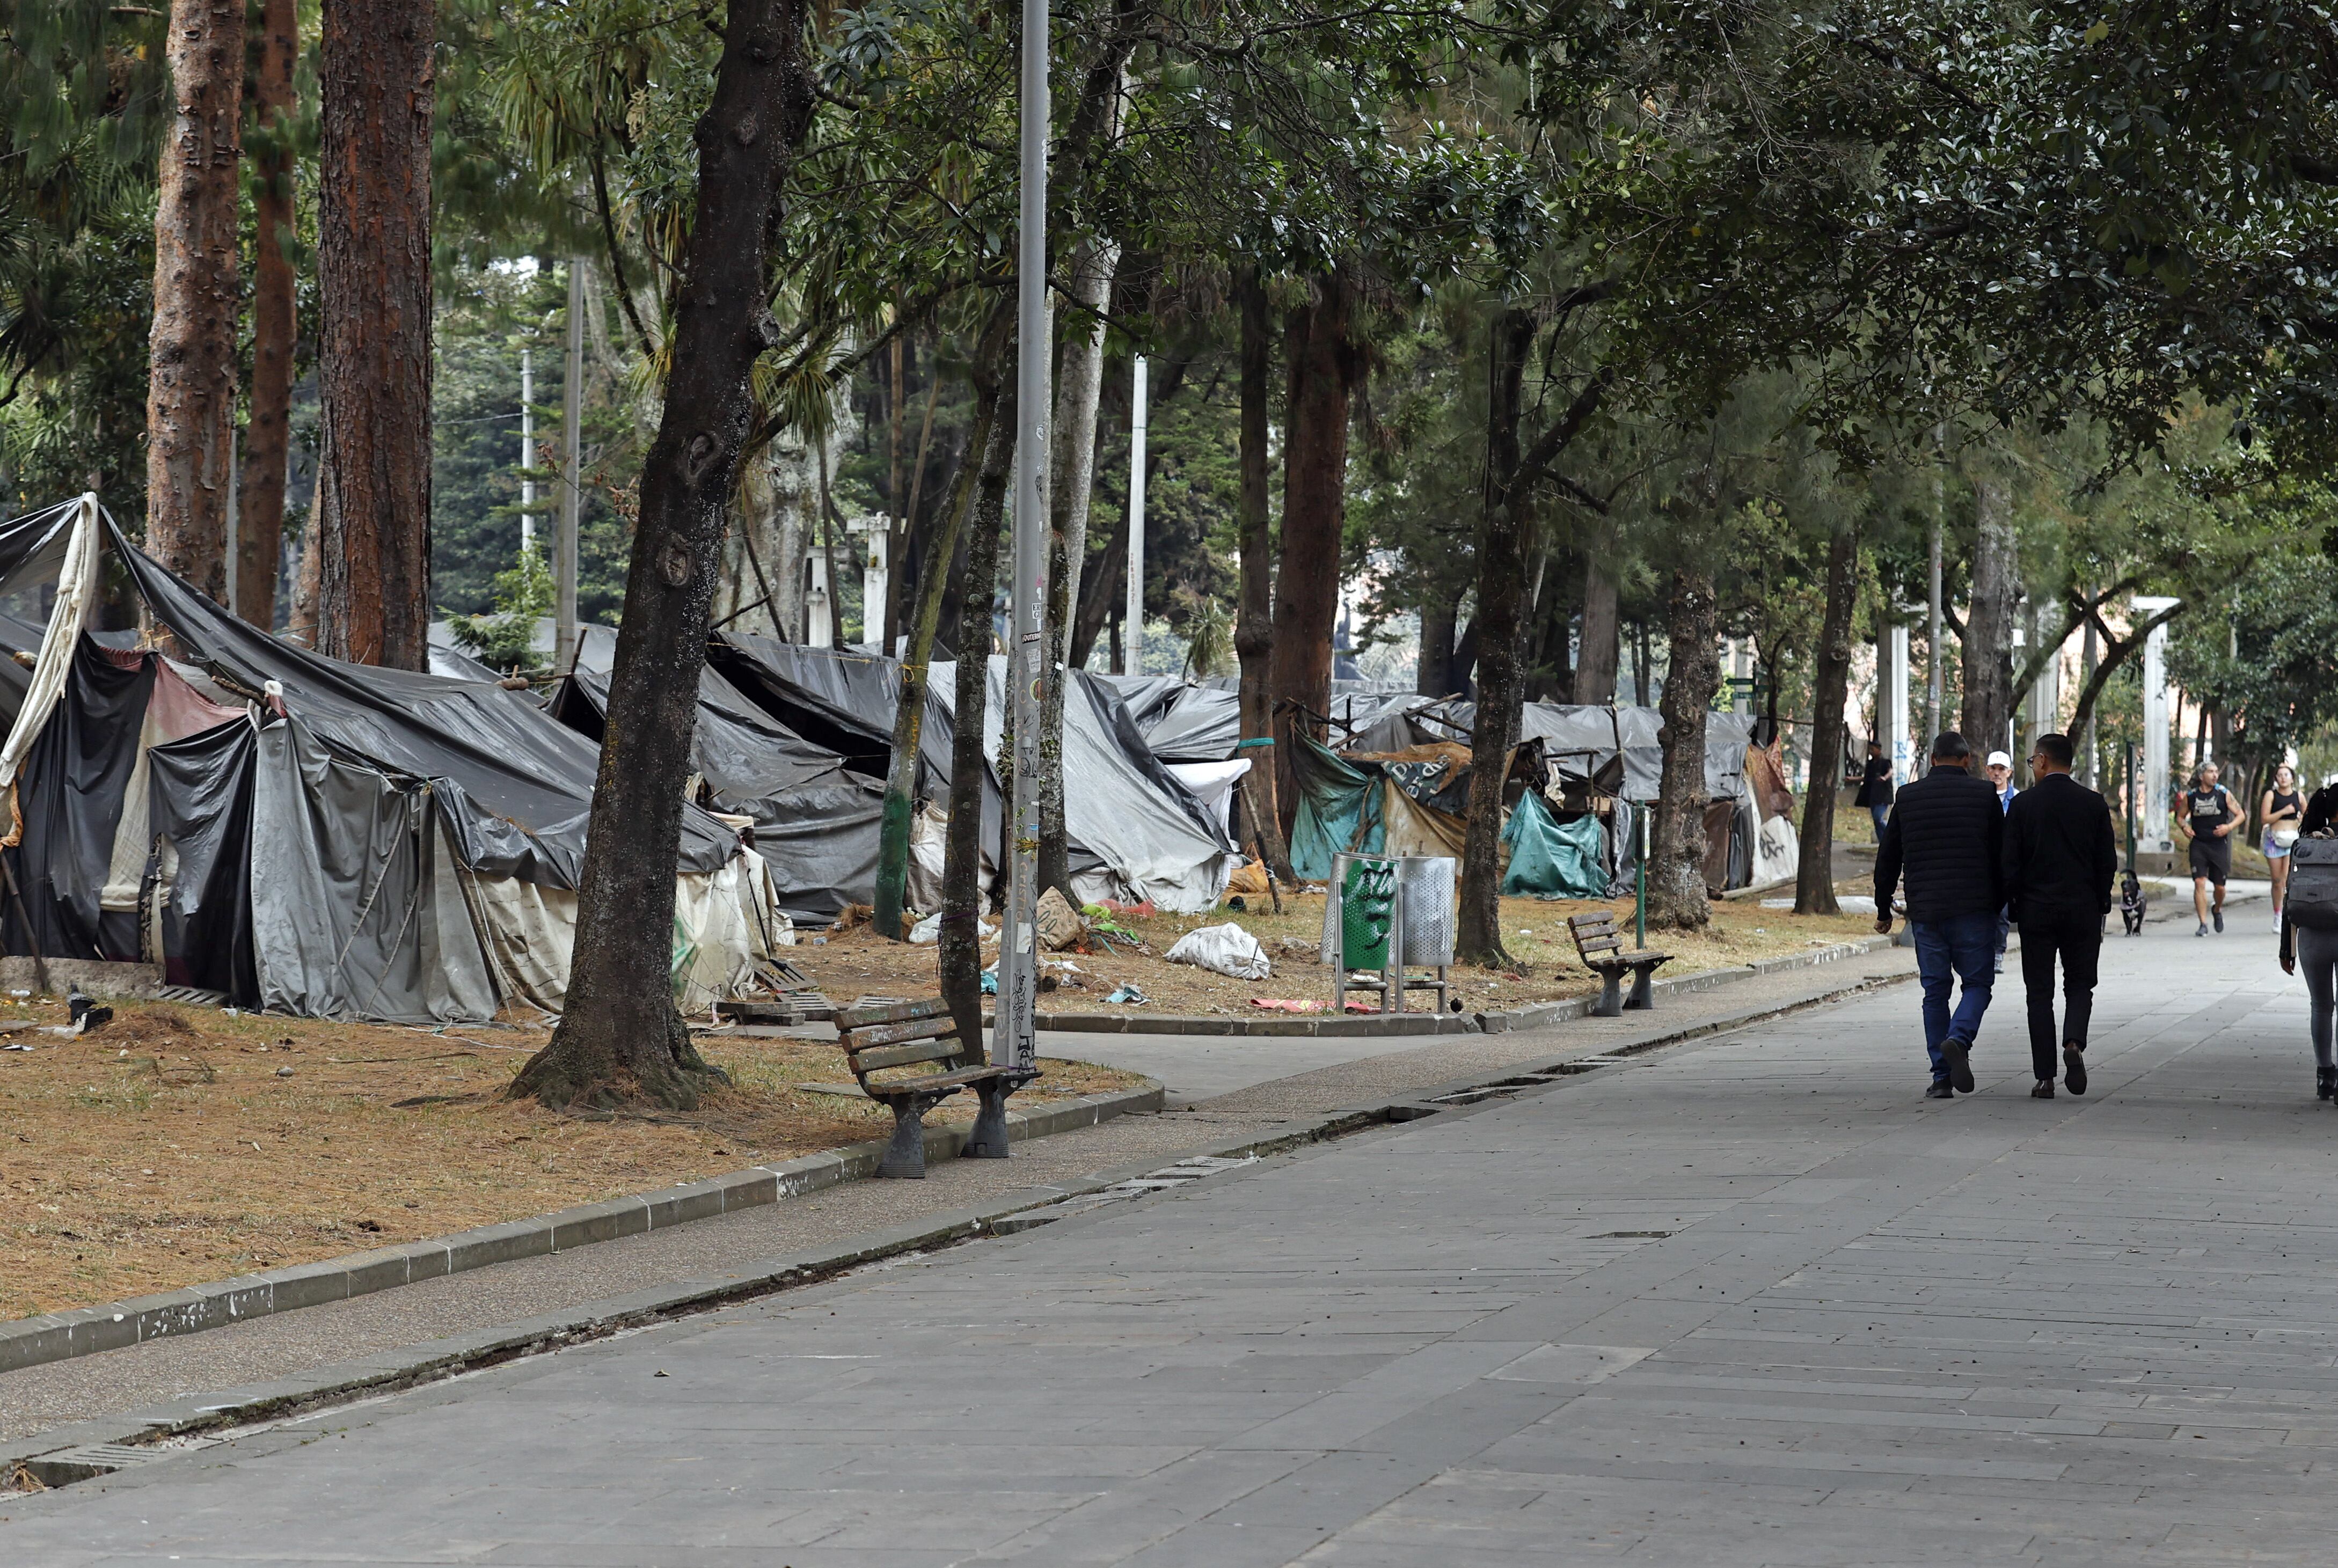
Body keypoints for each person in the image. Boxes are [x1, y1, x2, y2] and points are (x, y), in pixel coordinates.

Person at [1875, 731, 2005, 1099]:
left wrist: (1884, 908)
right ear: (1967, 760)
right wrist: (2000, 902)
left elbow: (1889, 857)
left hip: (1926, 911)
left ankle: (1941, 1078)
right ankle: (1959, 1038)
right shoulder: (1985, 794)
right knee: (1977, 984)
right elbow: (2002, 855)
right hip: (1974, 909)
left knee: (1935, 991)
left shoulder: (1908, 796)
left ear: (1932, 760)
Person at [2003, 733, 2117, 1099]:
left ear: (2042, 760)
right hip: (2082, 910)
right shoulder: (2093, 804)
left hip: (2036, 910)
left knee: (2039, 992)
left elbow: (2010, 863)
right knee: (2080, 983)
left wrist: (2014, 902)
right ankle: (2073, 1043)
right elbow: (2107, 861)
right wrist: (2101, 900)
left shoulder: (2023, 805)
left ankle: (2045, 1078)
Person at [2281, 774, 2338, 1100]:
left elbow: (2290, 895)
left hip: (2311, 936)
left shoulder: (2305, 844)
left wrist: (2286, 949)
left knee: (2321, 1005)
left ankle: (2324, 1074)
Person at [2174, 762, 2245, 936]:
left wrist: (2229, 828)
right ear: (2201, 776)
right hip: (2199, 844)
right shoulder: (2191, 796)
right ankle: (2203, 924)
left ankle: (2217, 909)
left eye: (2216, 772)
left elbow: (2241, 815)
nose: (2215, 775)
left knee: (2220, 888)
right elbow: (2180, 817)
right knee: (2199, 882)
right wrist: (2185, 827)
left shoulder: (2223, 793)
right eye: (2210, 772)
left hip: (2218, 844)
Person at [1986, 749, 2018, 971]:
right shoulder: (1980, 796)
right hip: (1984, 863)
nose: (1997, 773)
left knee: (2003, 913)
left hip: (2007, 864)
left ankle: (1998, 952)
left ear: (2009, 772)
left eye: (2002, 769)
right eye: (1993, 769)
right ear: (1987, 770)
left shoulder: (2017, 799)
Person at [2264, 764, 2304, 934]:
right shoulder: (2271, 795)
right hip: (2274, 840)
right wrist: (2283, 811)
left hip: (2292, 840)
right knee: (2276, 880)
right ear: (2276, 779)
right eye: (2280, 775)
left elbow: (2309, 816)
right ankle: (2277, 913)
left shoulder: (2299, 796)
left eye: (2286, 775)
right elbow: (2264, 818)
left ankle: (2288, 913)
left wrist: (2301, 819)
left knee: (2287, 879)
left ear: (2292, 778)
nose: (2283, 778)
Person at [1854, 739, 1894, 838]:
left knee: (1878, 817)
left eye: (1873, 749)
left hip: (1883, 796)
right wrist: (1852, 779)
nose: (1871, 751)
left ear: (1879, 750)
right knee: (1876, 822)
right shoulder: (1870, 764)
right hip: (1873, 796)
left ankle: (1892, 836)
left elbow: (1890, 772)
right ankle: (1883, 842)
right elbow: (1866, 778)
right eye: (1870, 749)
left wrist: (1884, 778)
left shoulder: (1885, 762)